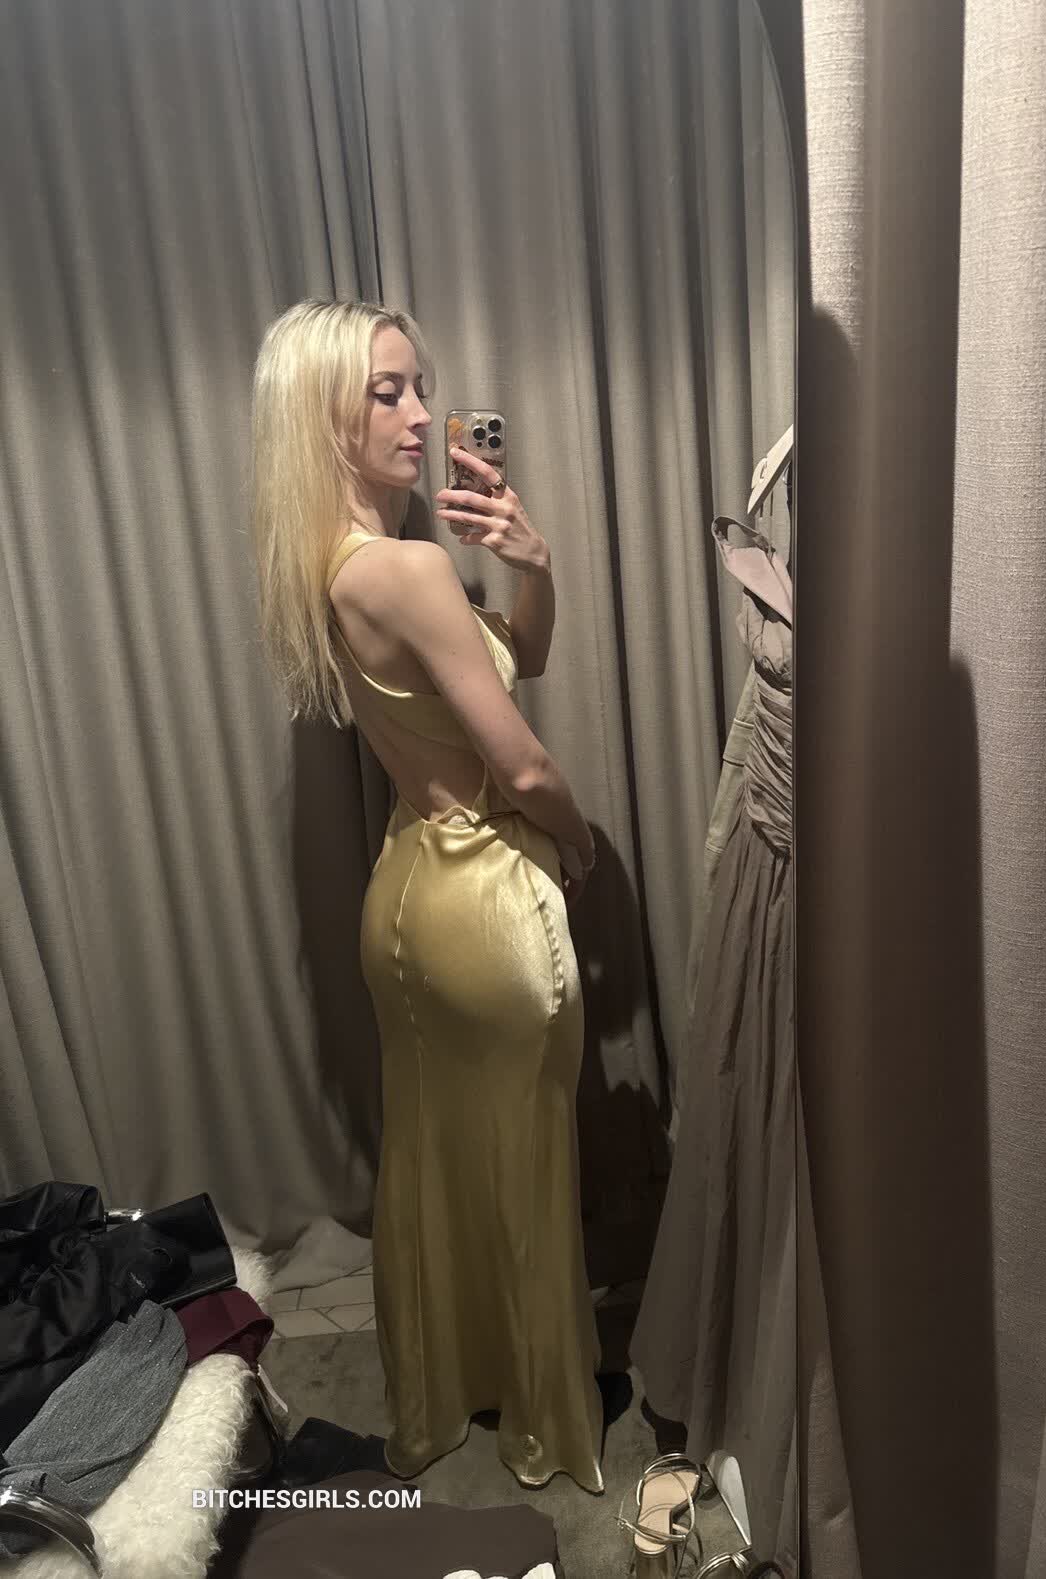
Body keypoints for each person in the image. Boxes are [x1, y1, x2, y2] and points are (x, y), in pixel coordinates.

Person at [250, 298, 604, 1494]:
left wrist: (533, 566)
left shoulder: (338, 564)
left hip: (407, 887)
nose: (417, 413)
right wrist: (582, 847)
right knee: (524, 1166)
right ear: (325, 416)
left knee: (437, 1161)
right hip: (485, 895)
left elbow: (524, 654)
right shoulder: (405, 569)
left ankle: (448, 1389)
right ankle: (542, 1417)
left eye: (419, 387)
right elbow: (525, 766)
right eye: (385, 391)